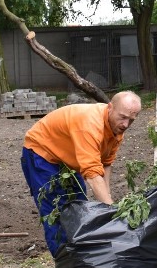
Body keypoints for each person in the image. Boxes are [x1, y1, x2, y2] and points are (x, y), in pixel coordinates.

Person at [20, 90, 142, 256]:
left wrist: (107, 204)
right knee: (57, 212)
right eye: (122, 117)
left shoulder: (116, 128)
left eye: (131, 120)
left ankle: (83, 258)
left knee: (78, 205)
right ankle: (67, 267)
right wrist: (114, 214)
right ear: (110, 108)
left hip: (68, 156)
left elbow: (105, 164)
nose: (126, 124)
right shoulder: (90, 125)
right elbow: (91, 173)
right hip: (42, 152)